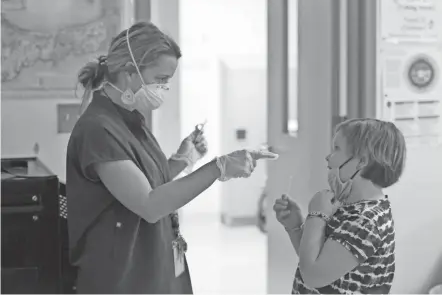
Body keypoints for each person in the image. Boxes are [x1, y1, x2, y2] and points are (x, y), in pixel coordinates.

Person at [66, 21, 278, 294]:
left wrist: (183, 159)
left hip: (150, 263)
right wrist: (218, 167)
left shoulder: (130, 120)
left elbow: (142, 184)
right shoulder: (98, 128)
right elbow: (149, 204)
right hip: (119, 277)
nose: (165, 88)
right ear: (130, 72)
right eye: (161, 79)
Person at [273, 118, 406, 294]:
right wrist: (295, 227)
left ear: (361, 162)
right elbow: (317, 261)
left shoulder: (366, 222)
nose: (328, 157)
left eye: (337, 149)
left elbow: (312, 276)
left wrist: (316, 216)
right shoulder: (349, 207)